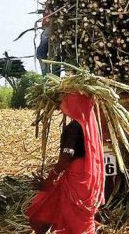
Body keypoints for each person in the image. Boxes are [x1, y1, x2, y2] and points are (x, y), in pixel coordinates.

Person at [27, 92, 105, 234]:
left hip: (76, 179)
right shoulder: (91, 125)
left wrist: (50, 178)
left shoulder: (74, 127)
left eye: (65, 100)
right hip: (88, 178)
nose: (62, 104)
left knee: (76, 222)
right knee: (82, 218)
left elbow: (66, 158)